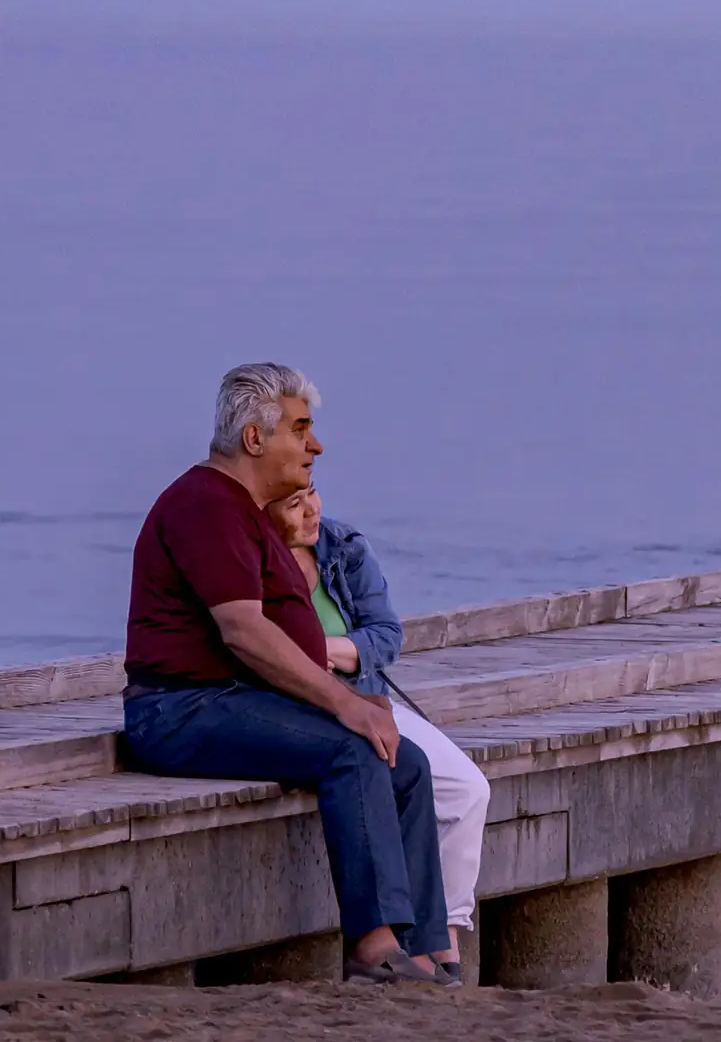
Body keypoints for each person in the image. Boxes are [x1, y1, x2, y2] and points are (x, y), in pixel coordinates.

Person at [121, 363, 451, 986]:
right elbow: (243, 631)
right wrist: (342, 703)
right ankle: (373, 950)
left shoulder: (251, 509)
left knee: (404, 761)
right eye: (301, 429)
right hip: (180, 710)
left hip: (233, 700)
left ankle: (430, 953)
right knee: (354, 747)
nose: (316, 445)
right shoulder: (205, 504)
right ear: (254, 438)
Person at [269, 485, 490, 982]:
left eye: (312, 494)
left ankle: (446, 934)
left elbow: (386, 634)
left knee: (469, 789)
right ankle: (399, 946)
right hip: (300, 707)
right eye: (293, 504)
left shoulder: (342, 545)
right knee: (393, 771)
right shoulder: (252, 560)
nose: (311, 510)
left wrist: (321, 649)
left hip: (366, 694)